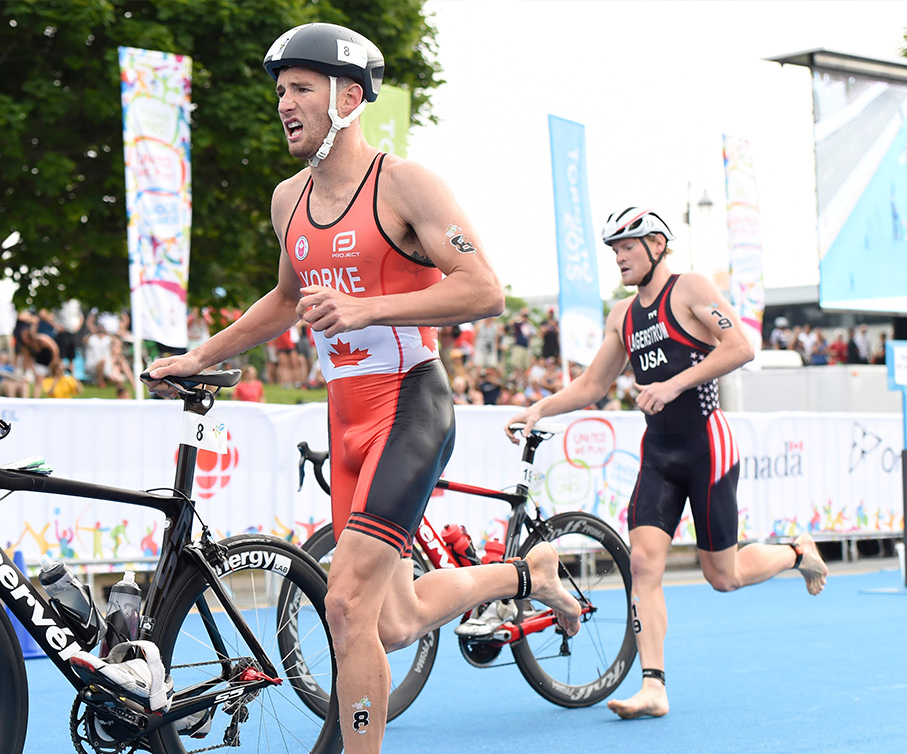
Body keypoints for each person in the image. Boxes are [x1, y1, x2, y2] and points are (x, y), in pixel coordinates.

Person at [140, 22, 581, 750]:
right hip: (344, 415)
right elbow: (284, 301)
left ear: (349, 97)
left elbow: (485, 289)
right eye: (280, 90)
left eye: (301, 89)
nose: (285, 102)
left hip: (411, 403)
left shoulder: (404, 183)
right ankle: (525, 574)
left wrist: (368, 306)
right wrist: (197, 355)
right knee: (393, 621)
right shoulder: (289, 200)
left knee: (343, 605)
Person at [505, 206, 829, 721]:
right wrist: (538, 408)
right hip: (659, 454)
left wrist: (674, 384)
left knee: (722, 576)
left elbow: (742, 346)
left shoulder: (691, 288)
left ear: (656, 245)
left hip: (707, 444)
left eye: (627, 247)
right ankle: (653, 687)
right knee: (643, 565)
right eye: (612, 249)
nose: (618, 257)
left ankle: (796, 551)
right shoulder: (622, 316)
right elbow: (593, 384)